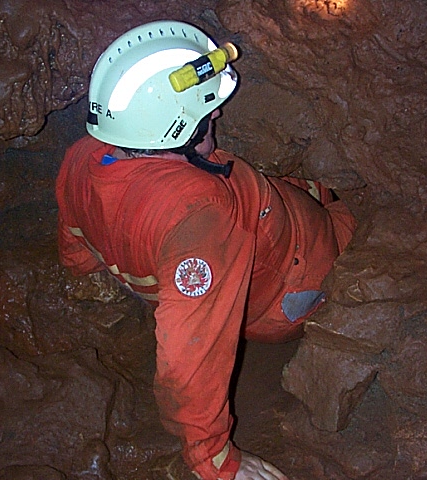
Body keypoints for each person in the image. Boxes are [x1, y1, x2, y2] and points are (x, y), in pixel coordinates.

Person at [56, 20, 356, 480]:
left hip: (268, 212)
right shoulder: (198, 219)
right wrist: (213, 460)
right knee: (360, 225)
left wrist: (82, 275)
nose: (215, 115)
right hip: (296, 281)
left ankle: (316, 195)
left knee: (305, 192)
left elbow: (74, 230)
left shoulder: (84, 157)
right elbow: (190, 357)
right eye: (208, 110)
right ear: (176, 127)